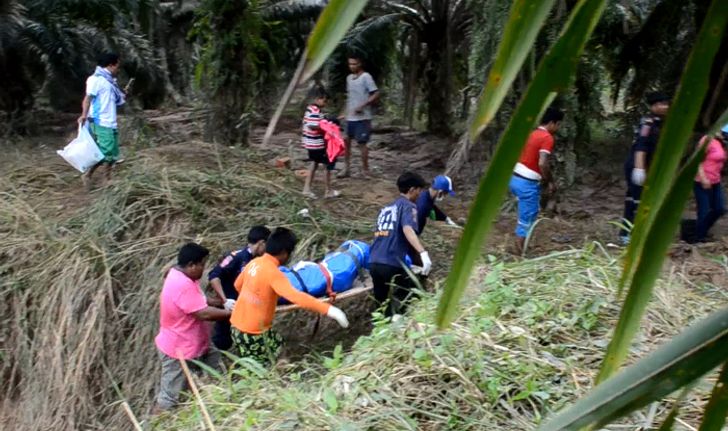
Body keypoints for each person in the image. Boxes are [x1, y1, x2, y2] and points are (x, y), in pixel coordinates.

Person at [230, 227, 349, 366]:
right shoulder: (273, 273)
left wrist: (255, 299)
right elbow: (297, 297)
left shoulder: (254, 263)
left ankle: (282, 369)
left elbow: (237, 285)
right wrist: (331, 311)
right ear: (284, 253)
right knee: (259, 371)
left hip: (236, 325)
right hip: (252, 334)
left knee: (279, 346)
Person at [154, 243, 231, 412]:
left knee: (216, 371)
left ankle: (220, 406)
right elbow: (203, 313)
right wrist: (232, 313)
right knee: (169, 398)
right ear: (191, 265)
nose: (203, 269)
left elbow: (199, 299)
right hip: (179, 350)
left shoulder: (178, 273)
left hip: (195, 343)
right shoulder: (182, 285)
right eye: (202, 264)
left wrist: (222, 303)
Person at [369, 172, 432, 317]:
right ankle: (402, 322)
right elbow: (408, 229)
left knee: (381, 304)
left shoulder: (385, 209)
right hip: (391, 262)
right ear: (411, 190)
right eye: (419, 190)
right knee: (411, 289)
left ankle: (382, 329)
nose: (420, 194)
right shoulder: (409, 206)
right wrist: (423, 253)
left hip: (373, 262)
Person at [509, 107, 564, 254]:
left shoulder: (532, 133)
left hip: (515, 177)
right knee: (527, 217)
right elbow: (542, 163)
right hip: (527, 182)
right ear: (552, 123)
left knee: (530, 213)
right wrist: (550, 181)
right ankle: (519, 251)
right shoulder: (547, 138)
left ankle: (524, 245)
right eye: (558, 124)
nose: (558, 128)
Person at [208, 225, 271, 350]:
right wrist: (225, 300)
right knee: (222, 341)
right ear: (261, 243)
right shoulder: (236, 257)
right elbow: (214, 276)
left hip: (246, 307)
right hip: (229, 306)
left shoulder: (260, 261)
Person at [620, 91, 670, 244]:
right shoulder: (647, 123)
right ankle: (630, 234)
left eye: (666, 104)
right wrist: (639, 168)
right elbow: (641, 146)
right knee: (637, 201)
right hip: (637, 165)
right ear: (653, 106)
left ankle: (627, 233)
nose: (665, 107)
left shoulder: (661, 123)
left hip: (648, 166)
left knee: (634, 200)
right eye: (662, 104)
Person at [77, 52, 127, 188]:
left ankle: (95, 176)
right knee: (107, 151)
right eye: (118, 65)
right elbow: (88, 99)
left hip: (110, 120)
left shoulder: (109, 82)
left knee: (112, 152)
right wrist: (84, 115)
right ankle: (100, 177)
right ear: (111, 65)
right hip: (100, 121)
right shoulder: (95, 80)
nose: (118, 69)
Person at [338, 55, 380, 179]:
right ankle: (346, 169)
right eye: (350, 64)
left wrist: (363, 105)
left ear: (360, 64)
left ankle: (365, 170)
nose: (352, 66)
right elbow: (349, 97)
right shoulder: (349, 78)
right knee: (346, 143)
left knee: (362, 144)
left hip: (363, 118)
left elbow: (376, 93)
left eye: (354, 64)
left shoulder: (366, 77)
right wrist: (344, 112)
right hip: (349, 117)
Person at [302, 88, 340, 199]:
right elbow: (312, 125)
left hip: (311, 144)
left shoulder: (311, 109)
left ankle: (306, 189)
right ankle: (328, 191)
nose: (325, 102)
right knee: (327, 166)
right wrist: (327, 126)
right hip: (316, 144)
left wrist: (328, 120)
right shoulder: (314, 111)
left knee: (314, 164)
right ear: (318, 99)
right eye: (324, 100)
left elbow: (318, 120)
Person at [693, 126, 727, 242]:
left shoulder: (721, 143)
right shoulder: (707, 140)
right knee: (704, 210)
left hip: (715, 181)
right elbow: (697, 160)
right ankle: (699, 238)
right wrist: (703, 178)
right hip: (702, 181)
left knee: (719, 209)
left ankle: (702, 230)